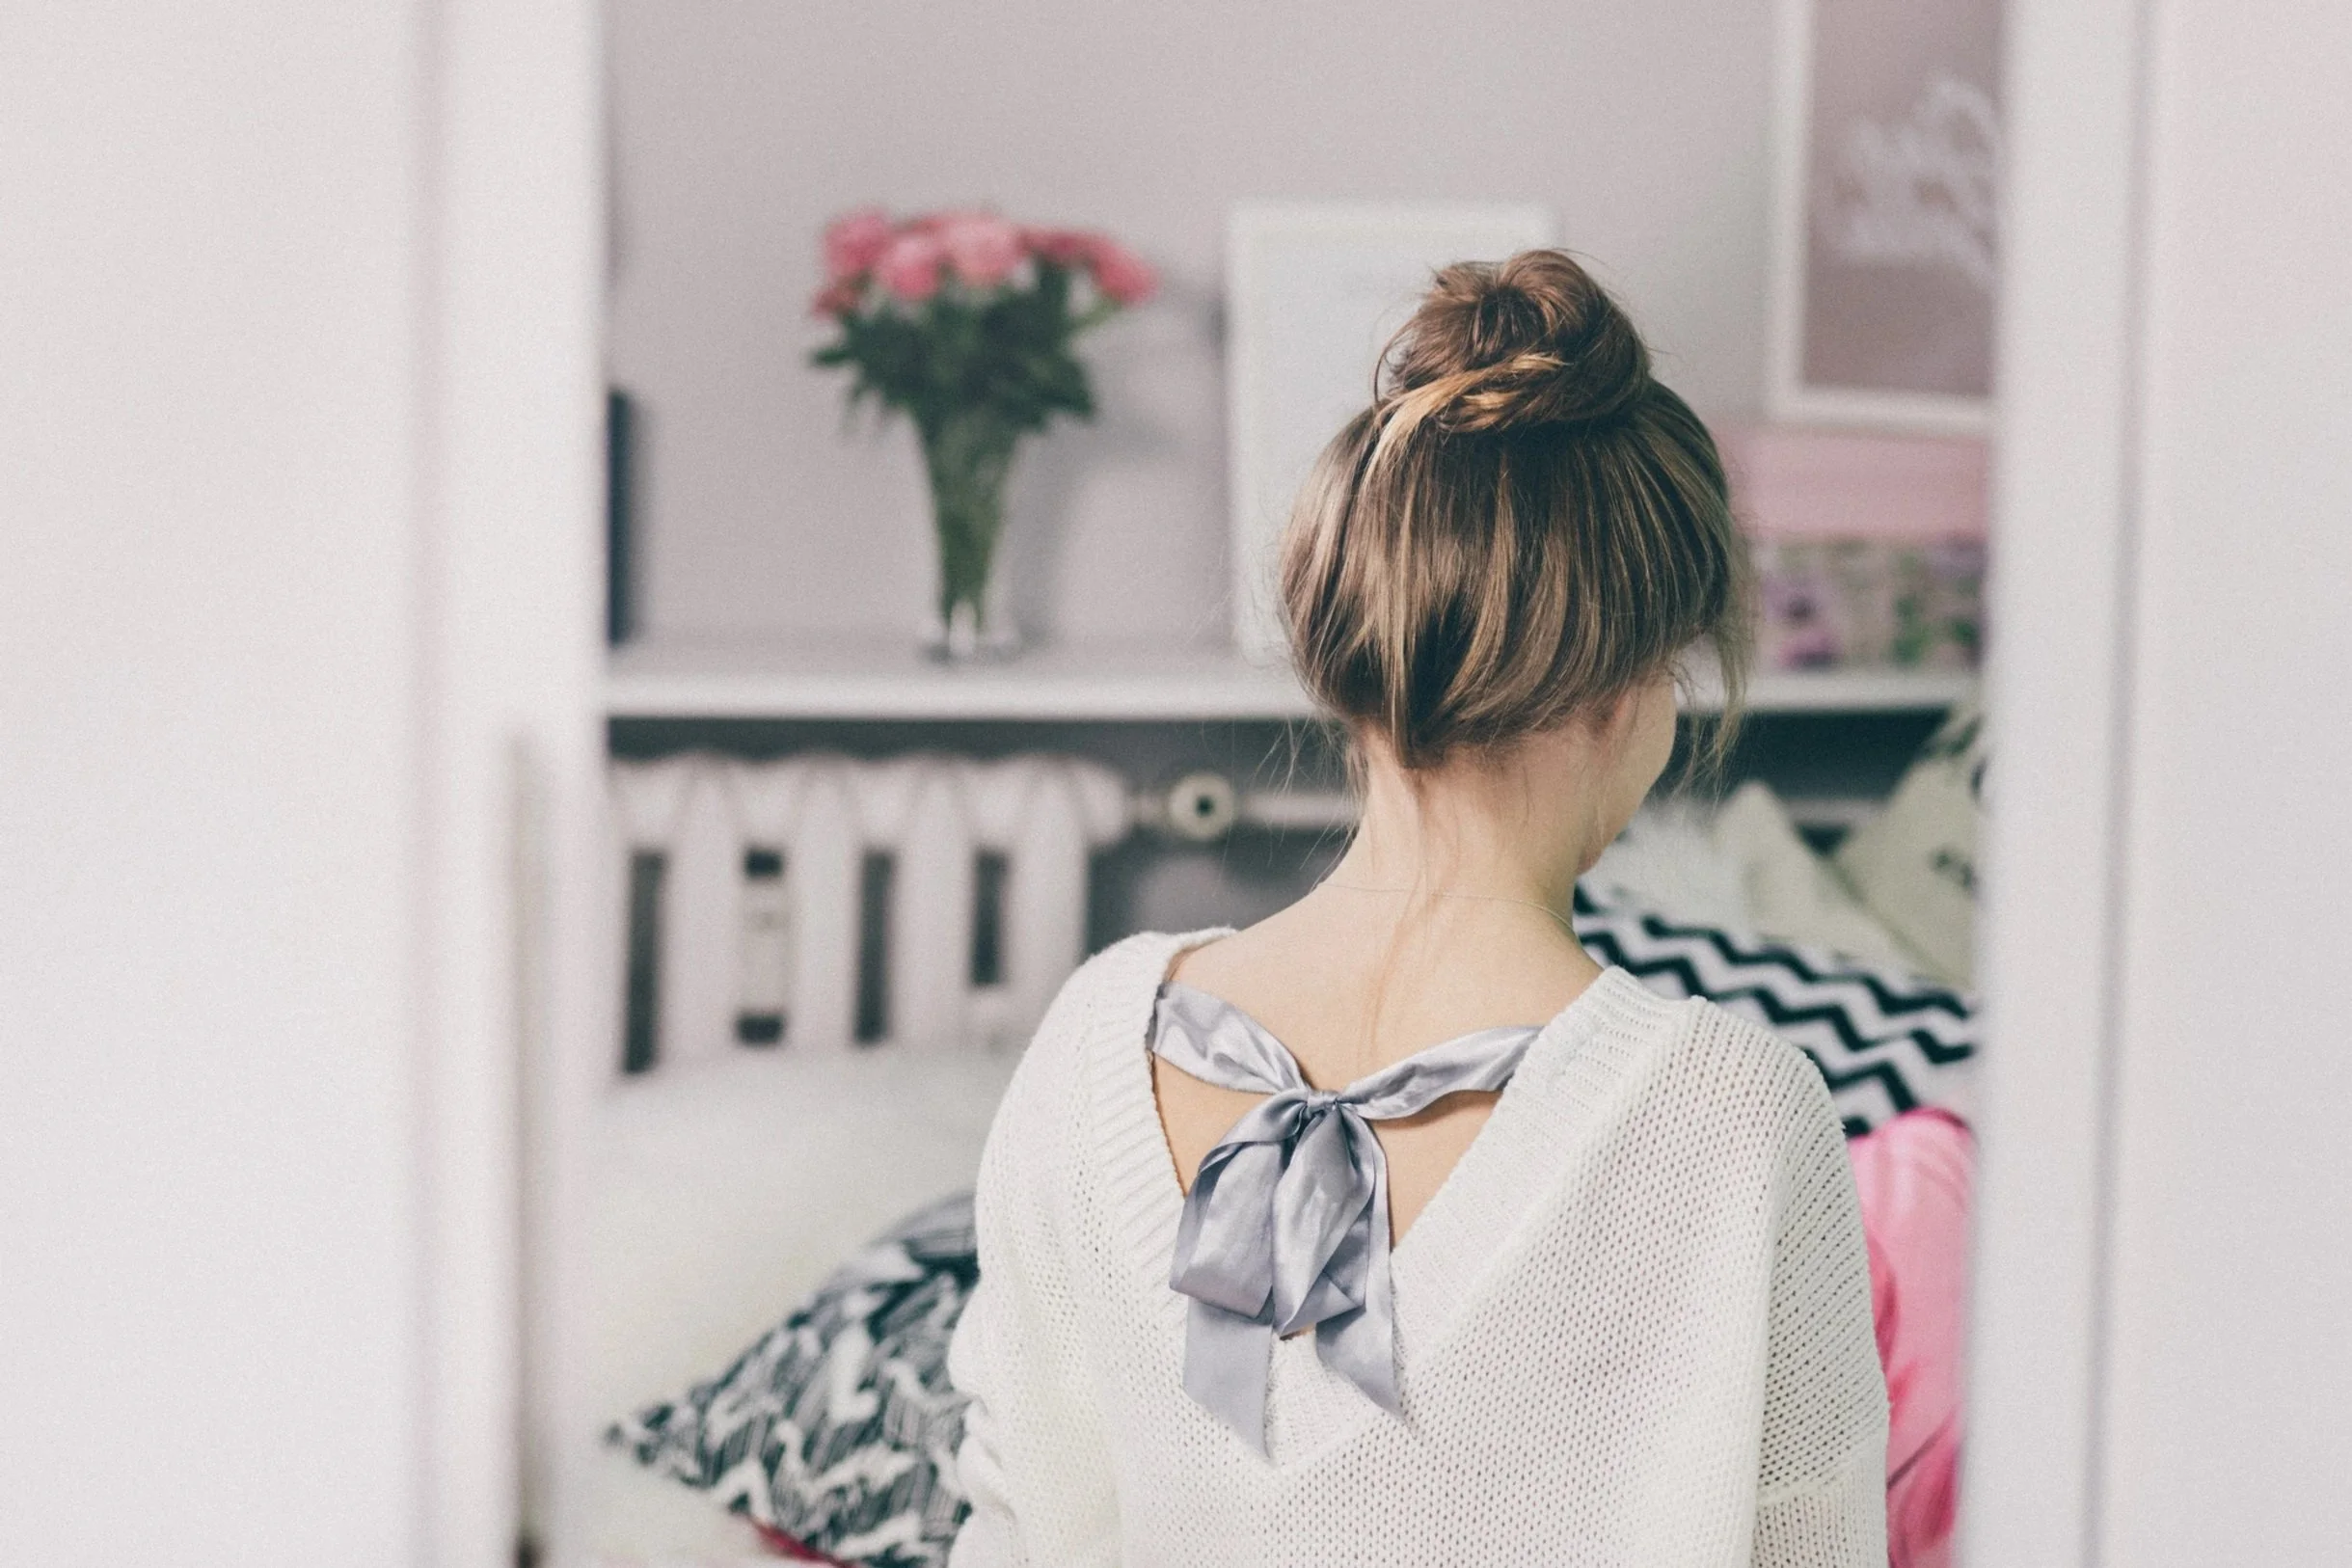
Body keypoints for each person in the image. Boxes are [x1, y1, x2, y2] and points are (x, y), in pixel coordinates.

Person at [945, 250, 1886, 1566]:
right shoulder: (1733, 1112)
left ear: (1350, 651)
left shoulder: (1092, 1038)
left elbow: (1014, 1523)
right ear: (1633, 687)